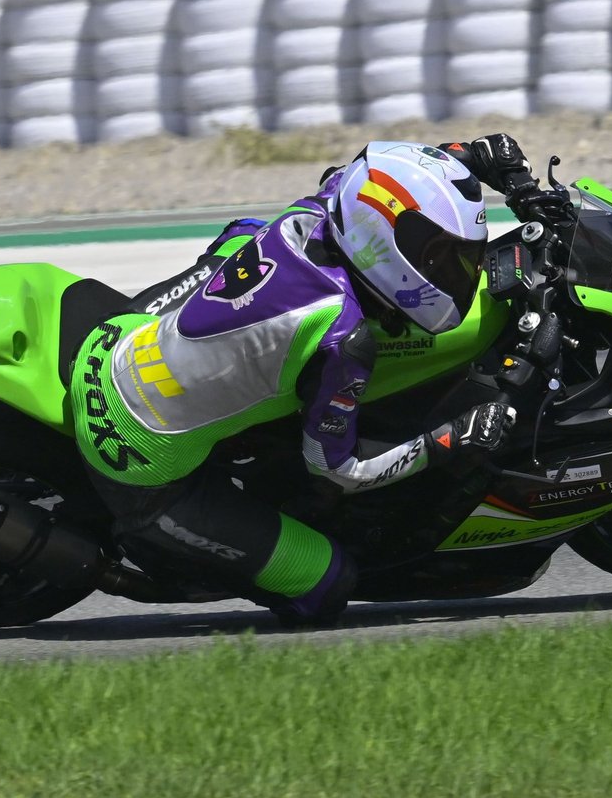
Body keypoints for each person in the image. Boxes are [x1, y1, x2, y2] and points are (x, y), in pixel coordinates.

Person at [65, 134, 571, 625]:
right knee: (328, 585)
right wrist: (452, 436)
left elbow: (396, 178)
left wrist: (486, 162)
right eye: (442, 258)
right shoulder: (341, 337)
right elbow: (337, 469)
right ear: (386, 252)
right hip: (138, 456)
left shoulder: (333, 202)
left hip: (115, 341)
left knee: (246, 232)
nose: (458, 270)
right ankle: (173, 561)